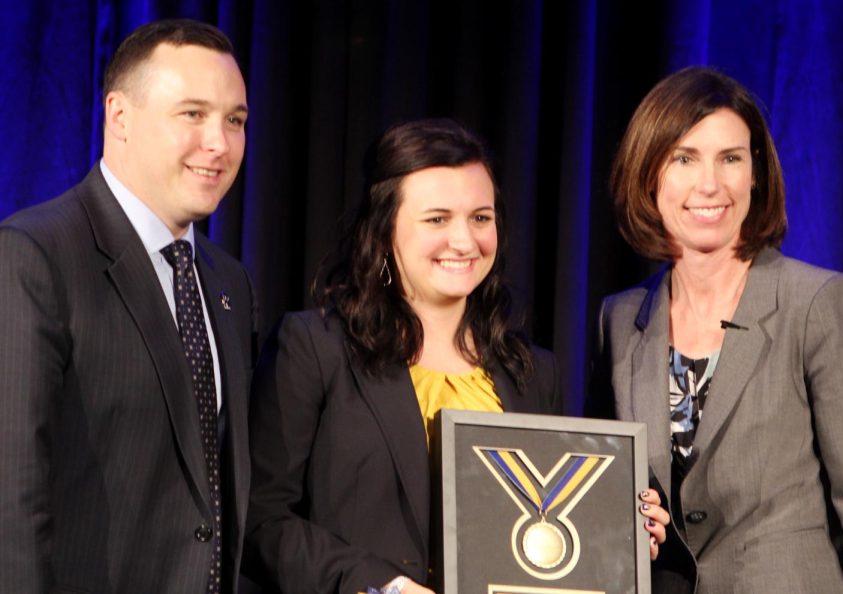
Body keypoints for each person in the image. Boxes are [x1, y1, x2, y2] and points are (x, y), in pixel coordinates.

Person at [243, 119, 668, 594]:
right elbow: (262, 520)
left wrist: (620, 532)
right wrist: (384, 586)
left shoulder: (531, 372)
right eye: (437, 219)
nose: (464, 241)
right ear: (384, 230)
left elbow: (544, 535)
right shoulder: (313, 347)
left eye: (481, 218)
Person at [588, 66, 843, 593]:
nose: (709, 184)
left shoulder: (819, 303)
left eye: (730, 158)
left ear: (755, 173)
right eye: (684, 158)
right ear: (649, 173)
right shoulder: (620, 319)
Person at [0, 19, 256, 593]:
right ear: (119, 116)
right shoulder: (35, 255)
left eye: (235, 120)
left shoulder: (229, 283)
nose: (219, 143)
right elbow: (10, 500)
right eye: (192, 114)